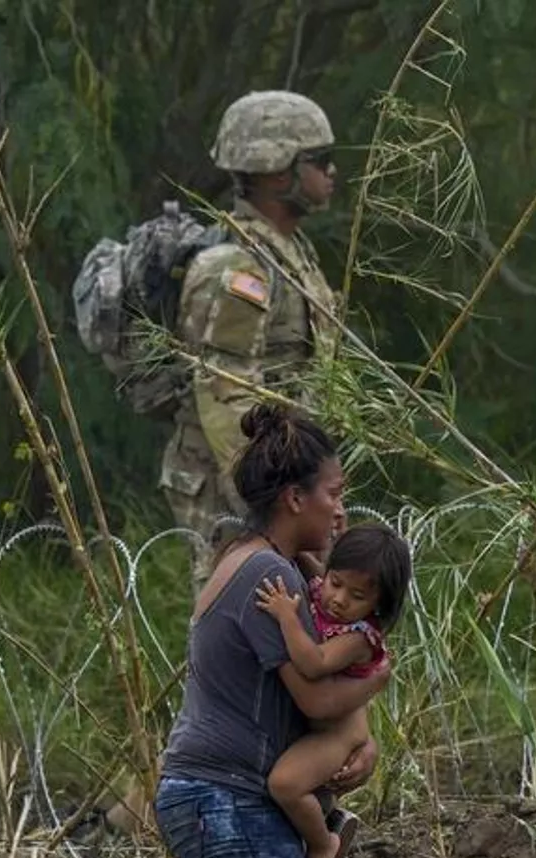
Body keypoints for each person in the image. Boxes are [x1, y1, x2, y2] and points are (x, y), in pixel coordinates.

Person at [36, 404, 384, 858]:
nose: (342, 511)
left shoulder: (261, 561)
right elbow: (316, 694)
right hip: (226, 804)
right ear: (294, 497)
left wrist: (360, 736)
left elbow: (324, 677)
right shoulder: (269, 579)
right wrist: (377, 686)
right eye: (334, 494)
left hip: (218, 799)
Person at [164, 90, 342, 590]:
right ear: (277, 173)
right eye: (320, 161)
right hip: (239, 490)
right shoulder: (236, 267)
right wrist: (276, 505)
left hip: (286, 482)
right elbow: (227, 400)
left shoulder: (288, 251)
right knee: (234, 634)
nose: (331, 173)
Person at [253, 522, 411, 858]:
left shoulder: (359, 637)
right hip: (321, 730)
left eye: (357, 596)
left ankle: (323, 843)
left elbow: (314, 663)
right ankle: (329, 819)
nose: (338, 599)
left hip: (338, 737)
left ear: (379, 605)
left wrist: (286, 617)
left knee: (285, 785)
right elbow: (315, 567)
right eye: (336, 583)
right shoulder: (326, 592)